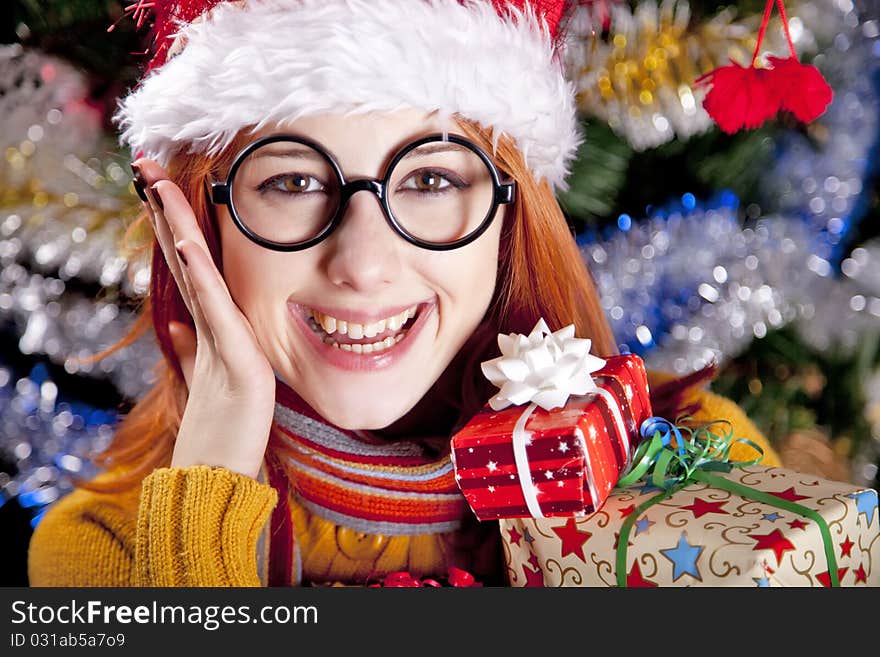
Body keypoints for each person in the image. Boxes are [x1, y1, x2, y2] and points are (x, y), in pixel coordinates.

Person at [28, 0, 780, 587]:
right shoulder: (106, 553)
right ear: (193, 225)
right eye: (292, 182)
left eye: (430, 180)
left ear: (511, 217)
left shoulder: (695, 465)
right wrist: (205, 512)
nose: (363, 263)